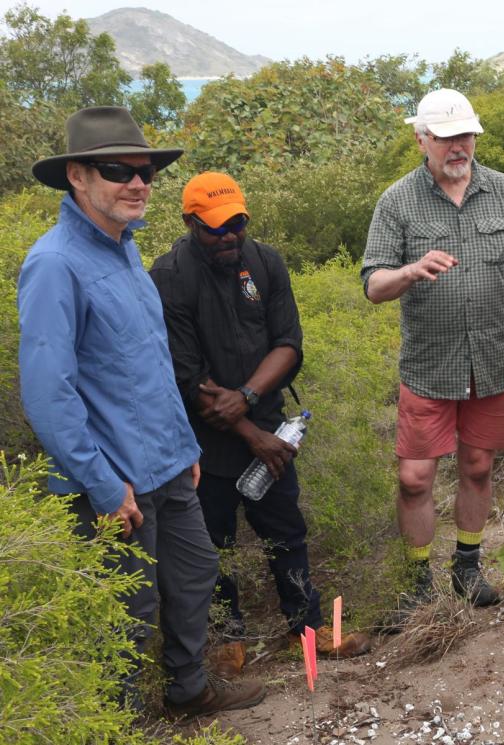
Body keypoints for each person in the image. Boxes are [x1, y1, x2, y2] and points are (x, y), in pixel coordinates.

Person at [18, 106, 265, 717]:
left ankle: (188, 691)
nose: (137, 183)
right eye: (117, 170)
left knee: (194, 576)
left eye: (146, 171)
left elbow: (150, 365)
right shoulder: (54, 264)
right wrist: (103, 485)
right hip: (112, 480)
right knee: (126, 611)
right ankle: (120, 723)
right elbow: (49, 396)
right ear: (77, 176)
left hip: (168, 465)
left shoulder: (124, 250)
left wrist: (184, 449)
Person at [150, 172, 372, 678]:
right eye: (215, 228)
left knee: (287, 532)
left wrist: (248, 400)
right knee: (213, 544)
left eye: (238, 225)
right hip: (203, 443)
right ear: (189, 222)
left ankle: (307, 632)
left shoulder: (265, 263)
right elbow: (186, 377)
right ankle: (229, 642)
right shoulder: (168, 277)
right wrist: (249, 433)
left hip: (271, 431)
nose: (229, 236)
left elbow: (289, 344)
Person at [361, 89, 504, 624]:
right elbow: (373, 284)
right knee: (415, 478)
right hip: (429, 364)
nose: (458, 146)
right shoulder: (397, 201)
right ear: (422, 139)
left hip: (493, 359)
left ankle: (467, 565)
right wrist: (408, 272)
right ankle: (418, 580)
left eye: (465, 135)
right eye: (445, 138)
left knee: (478, 464)